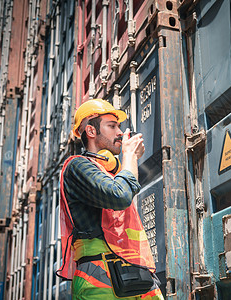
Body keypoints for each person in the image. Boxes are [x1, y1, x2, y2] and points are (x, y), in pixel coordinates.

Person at [57, 99, 164, 299]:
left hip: (134, 273)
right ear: (91, 131)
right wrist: (130, 156)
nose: (120, 133)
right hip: (99, 279)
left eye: (119, 126)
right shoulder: (77, 166)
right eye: (112, 126)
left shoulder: (111, 173)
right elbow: (120, 195)